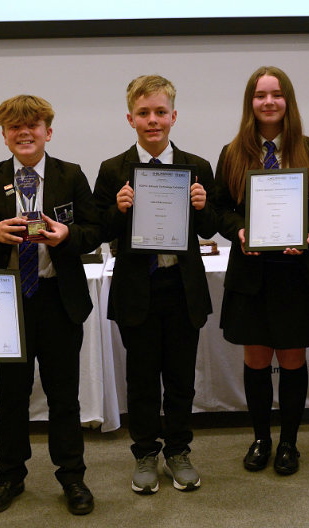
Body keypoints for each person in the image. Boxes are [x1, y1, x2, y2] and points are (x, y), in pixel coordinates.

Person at [0, 95, 100, 515]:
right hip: (6, 303)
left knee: (64, 397)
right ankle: (9, 475)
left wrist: (67, 235)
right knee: (12, 396)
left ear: (48, 132)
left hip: (58, 300)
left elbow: (94, 231)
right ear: (3, 135)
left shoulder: (71, 175)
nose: (24, 132)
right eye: (14, 127)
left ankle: (72, 477)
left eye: (33, 125)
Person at [90, 74, 218, 495]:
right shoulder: (113, 170)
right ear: (130, 118)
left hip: (182, 289)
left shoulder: (196, 166)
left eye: (160, 112)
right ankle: (145, 452)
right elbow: (95, 230)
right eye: (143, 113)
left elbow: (212, 226)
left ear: (174, 116)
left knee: (181, 377)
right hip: (137, 289)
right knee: (142, 378)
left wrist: (202, 208)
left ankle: (179, 450)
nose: (153, 120)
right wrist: (117, 210)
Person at [214, 66, 309, 476]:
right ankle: (261, 438)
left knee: (292, 360)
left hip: (297, 272)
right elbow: (220, 212)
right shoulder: (232, 154)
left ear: (288, 101)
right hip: (253, 274)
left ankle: (289, 443)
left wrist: (307, 231)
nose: (269, 102)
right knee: (256, 360)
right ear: (250, 102)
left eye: (277, 94)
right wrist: (240, 231)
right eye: (261, 95)